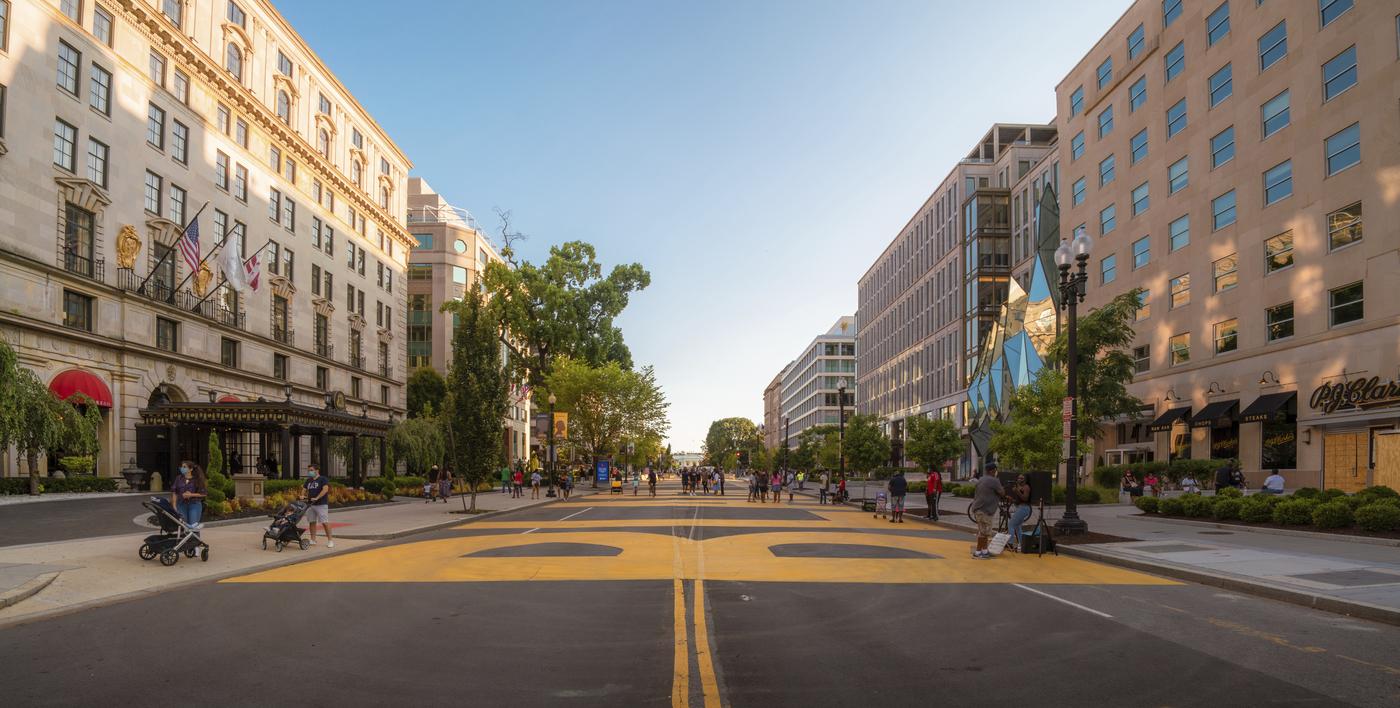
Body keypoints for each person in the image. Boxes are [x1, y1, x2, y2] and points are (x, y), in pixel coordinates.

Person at [970, 466, 1005, 559]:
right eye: (995, 470)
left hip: (979, 509)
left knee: (984, 531)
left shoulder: (981, 479)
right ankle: (978, 553)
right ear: (993, 470)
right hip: (984, 510)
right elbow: (1002, 493)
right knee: (983, 533)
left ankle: (984, 551)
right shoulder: (994, 480)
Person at [170, 460, 207, 531]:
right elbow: (174, 491)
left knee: (193, 526)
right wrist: (174, 505)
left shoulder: (197, 479)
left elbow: (203, 493)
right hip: (180, 504)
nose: (182, 468)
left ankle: (194, 541)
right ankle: (184, 541)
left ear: (191, 469)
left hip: (194, 504)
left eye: (184, 467)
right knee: (183, 525)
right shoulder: (178, 478)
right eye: (181, 467)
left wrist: (191, 494)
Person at [303, 464, 333, 548]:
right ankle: (313, 539)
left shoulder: (323, 479)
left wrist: (317, 498)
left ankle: (330, 540)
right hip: (310, 505)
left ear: (317, 470)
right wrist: (302, 495)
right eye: (309, 470)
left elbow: (325, 489)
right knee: (312, 522)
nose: (310, 472)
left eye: (311, 470)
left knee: (324, 522)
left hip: (321, 504)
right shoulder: (308, 480)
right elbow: (304, 489)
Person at [1006, 474, 1032, 550]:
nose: (1019, 479)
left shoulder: (1026, 487)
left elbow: (1025, 498)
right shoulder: (1019, 487)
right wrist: (1012, 499)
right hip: (1020, 507)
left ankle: (1010, 543)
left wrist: (1017, 491)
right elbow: (1018, 501)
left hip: (1024, 508)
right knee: (1017, 526)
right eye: (1018, 478)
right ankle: (1022, 544)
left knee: (1011, 524)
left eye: (1022, 478)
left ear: (1025, 479)